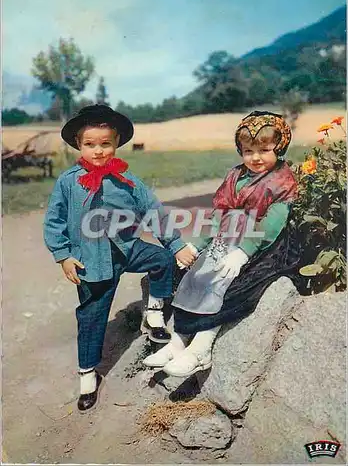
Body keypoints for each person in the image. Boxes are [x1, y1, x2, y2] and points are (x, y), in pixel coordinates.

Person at [43, 104, 196, 412]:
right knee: (91, 317)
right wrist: (63, 256)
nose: (98, 151)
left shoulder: (126, 178)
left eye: (105, 144)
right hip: (91, 261)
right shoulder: (69, 182)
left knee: (161, 260)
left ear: (115, 144)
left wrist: (176, 244)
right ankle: (88, 375)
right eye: (90, 144)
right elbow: (54, 221)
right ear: (78, 144)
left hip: (126, 249)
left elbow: (153, 211)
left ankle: (154, 312)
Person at [144, 111, 300, 377]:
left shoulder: (282, 181)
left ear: (280, 147)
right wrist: (198, 245)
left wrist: (242, 253)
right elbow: (218, 217)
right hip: (228, 239)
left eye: (264, 150)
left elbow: (272, 225)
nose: (256, 158)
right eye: (248, 151)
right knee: (194, 276)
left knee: (225, 282)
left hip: (264, 247)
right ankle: (178, 342)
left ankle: (201, 349)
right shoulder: (235, 176)